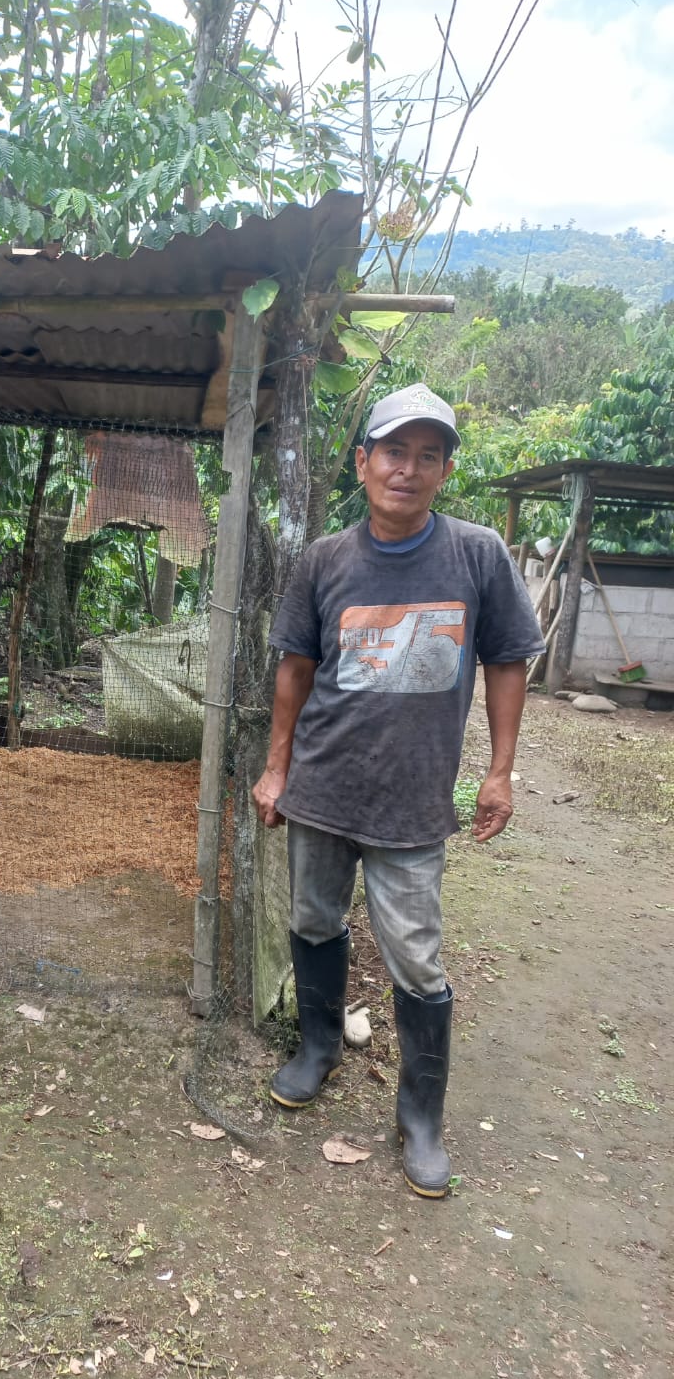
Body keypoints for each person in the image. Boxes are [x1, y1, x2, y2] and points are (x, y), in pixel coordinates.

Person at [252, 384, 545, 1199]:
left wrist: (498, 771)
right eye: (393, 452)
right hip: (322, 788)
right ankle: (318, 1049)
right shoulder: (326, 560)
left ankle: (420, 1116)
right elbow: (295, 669)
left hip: (413, 800)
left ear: (445, 471)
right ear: (363, 463)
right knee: (313, 920)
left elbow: (508, 660)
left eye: (427, 456)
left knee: (415, 956)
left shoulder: (477, 555)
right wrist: (277, 767)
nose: (407, 470)